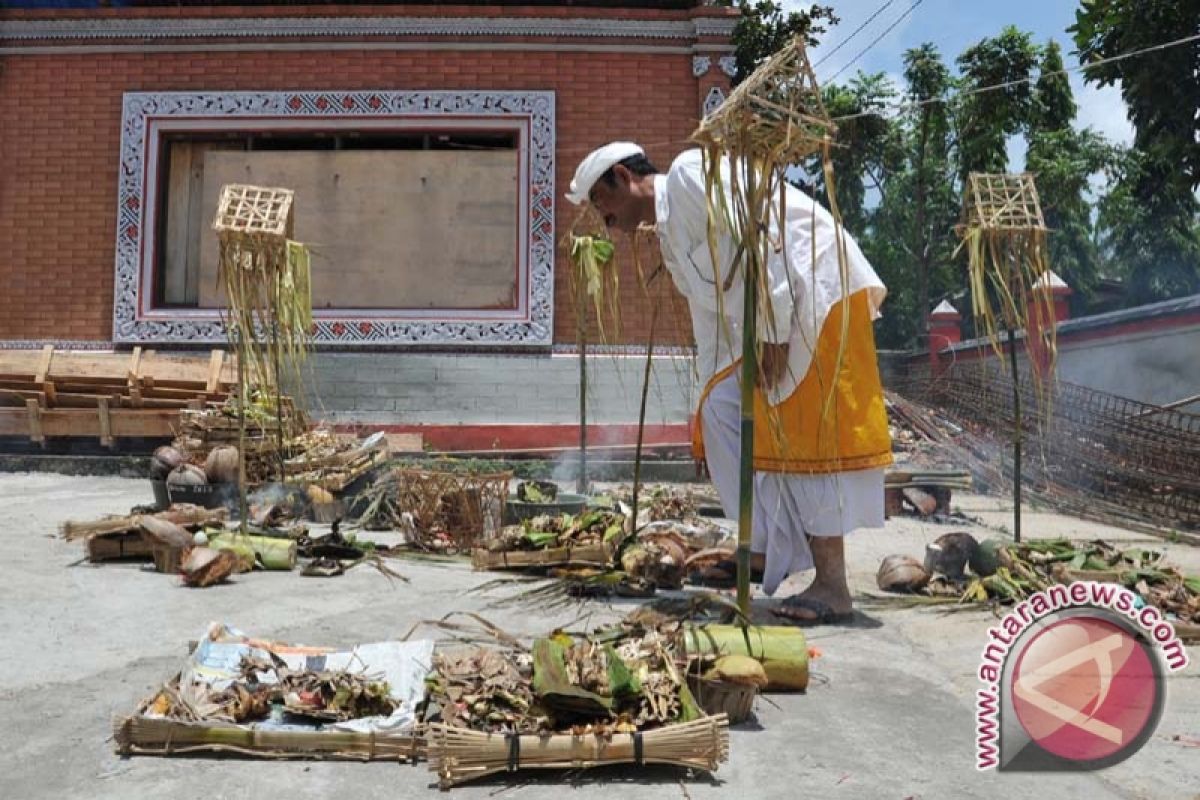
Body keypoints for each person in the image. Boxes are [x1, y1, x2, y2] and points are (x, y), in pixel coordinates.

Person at [566, 142, 893, 624]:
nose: (605, 221)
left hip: (813, 293)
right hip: (774, 323)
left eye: (601, 203)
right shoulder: (670, 237)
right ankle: (763, 548)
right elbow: (712, 320)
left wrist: (777, 337)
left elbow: (765, 242)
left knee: (808, 435)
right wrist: (709, 388)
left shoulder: (689, 175)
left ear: (622, 176)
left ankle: (833, 586)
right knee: (721, 411)